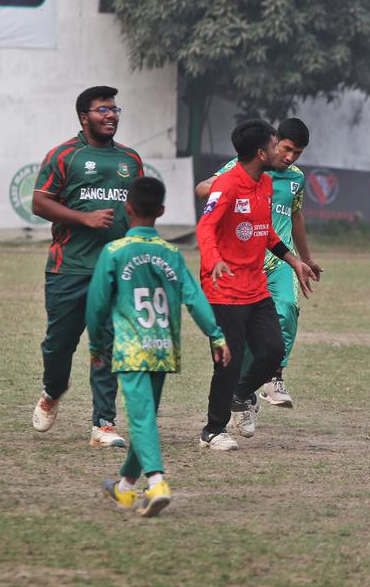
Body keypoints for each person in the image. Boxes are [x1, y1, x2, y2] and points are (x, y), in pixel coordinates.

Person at [86, 177, 231, 516]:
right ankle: (124, 488)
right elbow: (194, 297)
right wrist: (217, 334)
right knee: (144, 418)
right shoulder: (171, 253)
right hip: (163, 347)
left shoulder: (115, 251)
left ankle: (157, 482)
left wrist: (96, 347)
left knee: (140, 419)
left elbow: (96, 306)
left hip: (131, 349)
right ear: (162, 211)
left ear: (127, 209)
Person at [30, 85, 143, 448]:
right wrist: (84, 219)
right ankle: (53, 390)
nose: (111, 115)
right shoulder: (64, 155)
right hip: (69, 268)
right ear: (84, 116)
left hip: (114, 272)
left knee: (106, 346)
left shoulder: (130, 159)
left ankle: (103, 424)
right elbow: (39, 203)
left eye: (115, 109)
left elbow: (138, 206)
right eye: (102, 109)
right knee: (58, 346)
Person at [196, 119, 316, 451]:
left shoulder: (265, 184)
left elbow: (267, 231)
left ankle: (241, 392)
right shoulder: (228, 184)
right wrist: (213, 260)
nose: (284, 151)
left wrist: (295, 260)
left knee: (273, 350)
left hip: (256, 284)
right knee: (228, 361)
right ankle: (213, 429)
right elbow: (206, 228)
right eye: (279, 144)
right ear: (262, 152)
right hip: (225, 286)